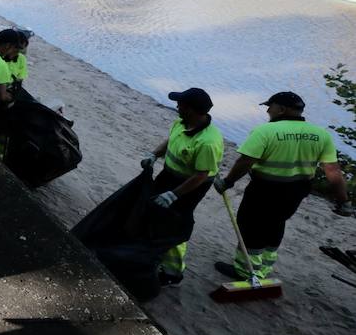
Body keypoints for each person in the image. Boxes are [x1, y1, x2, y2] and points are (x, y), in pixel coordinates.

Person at [213, 92, 352, 279]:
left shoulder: (265, 131)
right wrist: (343, 201)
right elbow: (333, 171)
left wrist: (227, 182)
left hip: (265, 189)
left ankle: (245, 271)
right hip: (297, 191)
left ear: (282, 109)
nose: (268, 110)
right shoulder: (321, 135)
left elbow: (245, 161)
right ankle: (264, 269)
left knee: (251, 227)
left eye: (270, 106)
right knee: (276, 224)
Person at [142, 88, 225, 285]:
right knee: (154, 213)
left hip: (190, 187)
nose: (177, 107)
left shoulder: (208, 142)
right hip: (169, 175)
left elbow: (201, 175)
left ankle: (172, 274)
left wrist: (174, 195)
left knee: (174, 225)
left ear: (191, 110)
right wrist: (154, 154)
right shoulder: (181, 123)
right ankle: (153, 253)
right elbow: (172, 140)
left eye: (181, 104)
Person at [7, 29, 31, 95]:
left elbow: (19, 80)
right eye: (17, 48)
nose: (17, 52)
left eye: (20, 49)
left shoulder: (21, 59)